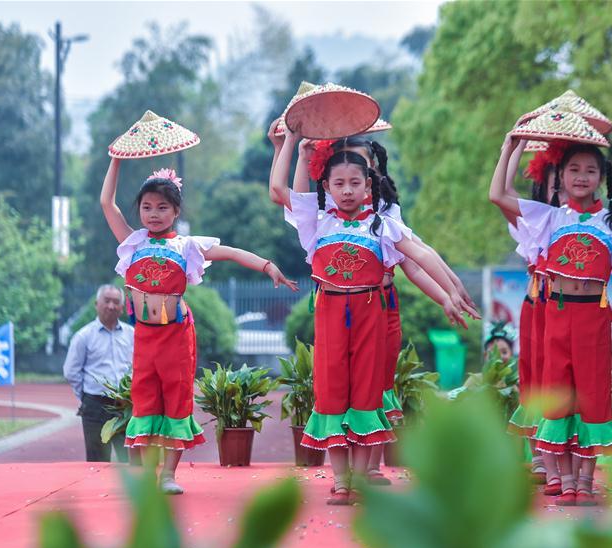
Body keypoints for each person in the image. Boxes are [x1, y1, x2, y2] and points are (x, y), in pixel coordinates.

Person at [270, 124, 466, 506]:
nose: (346, 189)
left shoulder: (382, 223)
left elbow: (422, 255)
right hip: (329, 314)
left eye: (354, 182)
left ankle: (360, 479)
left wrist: (454, 291)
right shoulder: (316, 220)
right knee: (331, 394)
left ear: (367, 184)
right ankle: (340, 481)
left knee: (365, 395)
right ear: (325, 186)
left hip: (371, 314)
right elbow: (280, 190)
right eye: (338, 182)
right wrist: (291, 142)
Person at [490, 137, 612, 507]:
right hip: (555, 314)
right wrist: (511, 146)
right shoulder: (550, 217)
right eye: (574, 169)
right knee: (557, 393)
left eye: (591, 170)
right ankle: (566, 479)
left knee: (591, 394)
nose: (582, 176)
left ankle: (586, 483)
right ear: (560, 176)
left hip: (593, 317)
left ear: (603, 177)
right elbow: (498, 195)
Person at [101, 161, 298, 494]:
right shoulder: (133, 242)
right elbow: (107, 203)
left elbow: (232, 253)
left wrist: (268, 266)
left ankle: (168, 476)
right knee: (146, 401)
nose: (153, 213)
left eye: (162, 207)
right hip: (145, 337)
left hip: (176, 336)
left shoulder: (187, 247)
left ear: (176, 211)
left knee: (176, 399)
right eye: (147, 207)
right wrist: (117, 160)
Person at [63, 284, 134, 463]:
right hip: (95, 406)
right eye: (107, 301)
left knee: (131, 460)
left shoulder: (132, 335)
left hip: (125, 406)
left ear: (122, 307)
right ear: (97, 304)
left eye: (116, 302)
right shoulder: (83, 336)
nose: (111, 306)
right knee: (97, 462)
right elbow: (71, 371)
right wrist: (88, 396)